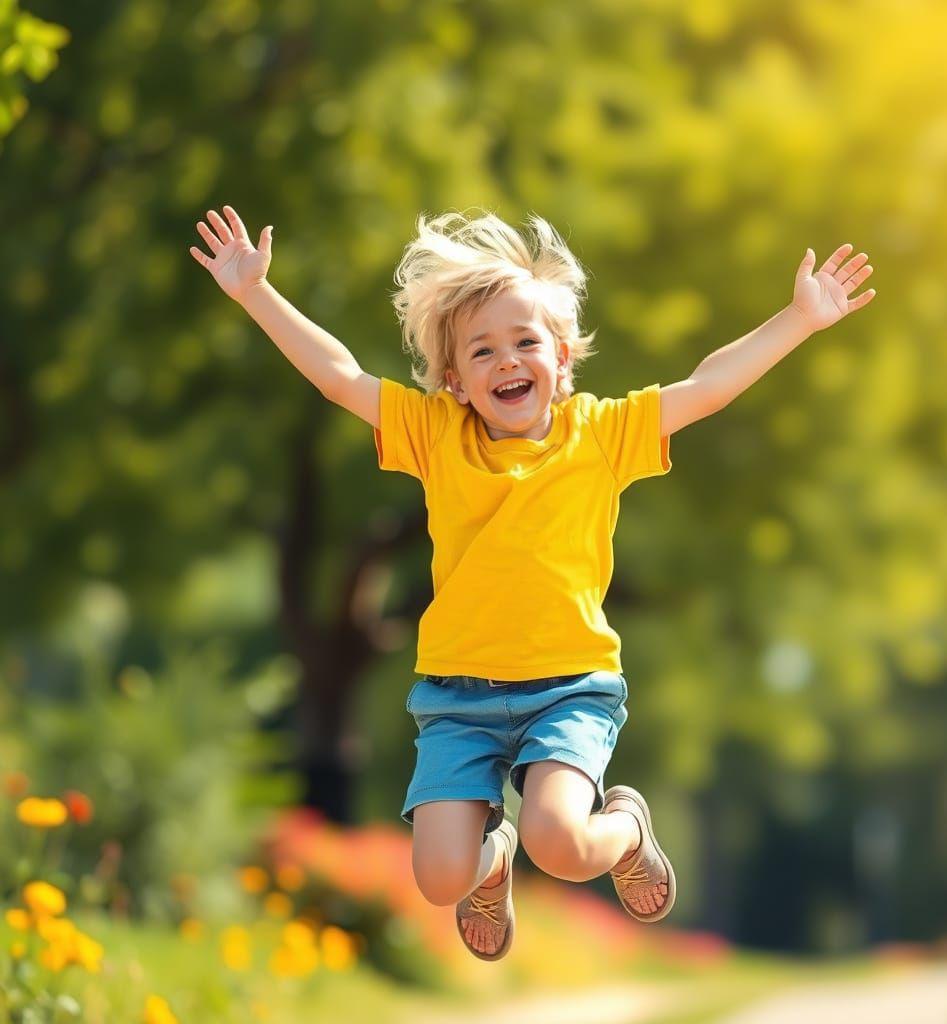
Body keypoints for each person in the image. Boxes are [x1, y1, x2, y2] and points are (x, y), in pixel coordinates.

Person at [191, 206, 875, 960]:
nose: (507, 361)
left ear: (562, 357)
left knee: (563, 844)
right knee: (440, 876)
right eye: (482, 351)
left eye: (525, 342)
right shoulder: (434, 436)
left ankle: (626, 829)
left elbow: (706, 387)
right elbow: (339, 377)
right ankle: (492, 863)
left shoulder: (603, 435)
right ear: (454, 380)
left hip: (568, 686)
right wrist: (255, 293)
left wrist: (798, 320)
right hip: (459, 695)